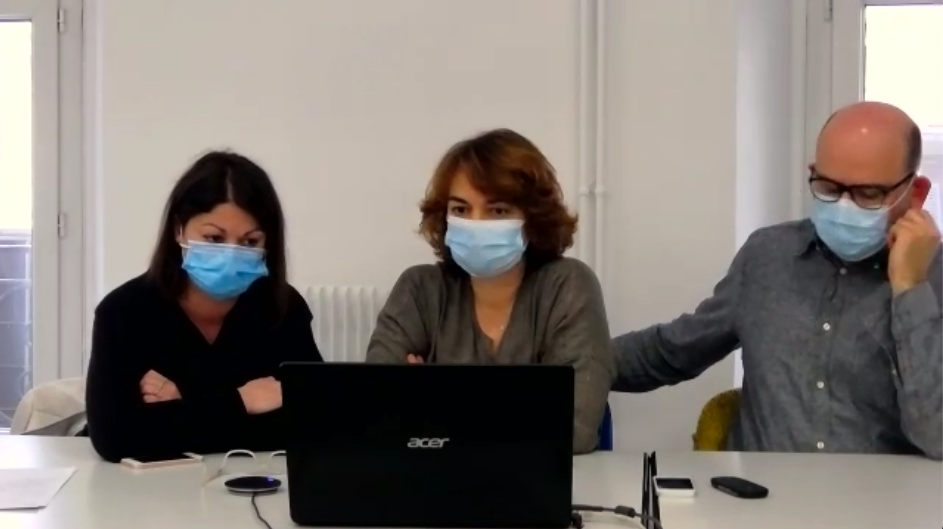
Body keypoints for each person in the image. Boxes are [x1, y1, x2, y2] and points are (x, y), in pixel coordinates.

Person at [613, 101, 942, 460]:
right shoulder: (768, 256)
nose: (844, 206)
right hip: (763, 507)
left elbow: (936, 435)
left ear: (916, 192)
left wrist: (910, 289)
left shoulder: (935, 280)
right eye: (829, 188)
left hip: (888, 512)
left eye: (868, 195)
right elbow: (676, 348)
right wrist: (567, 360)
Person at [365, 128, 616, 454]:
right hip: (434, 487)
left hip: (537, 488)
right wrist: (523, 410)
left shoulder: (568, 285)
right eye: (461, 209)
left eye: (497, 210)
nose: (476, 223)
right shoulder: (419, 289)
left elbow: (573, 429)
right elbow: (377, 413)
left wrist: (432, 403)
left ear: (532, 217)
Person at [85, 151, 323, 462]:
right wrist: (241, 402)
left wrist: (182, 408)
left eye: (250, 242)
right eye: (213, 237)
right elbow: (114, 438)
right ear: (179, 230)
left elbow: (315, 420)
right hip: (150, 499)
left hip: (249, 490)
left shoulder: (283, 308)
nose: (231, 253)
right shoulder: (123, 312)